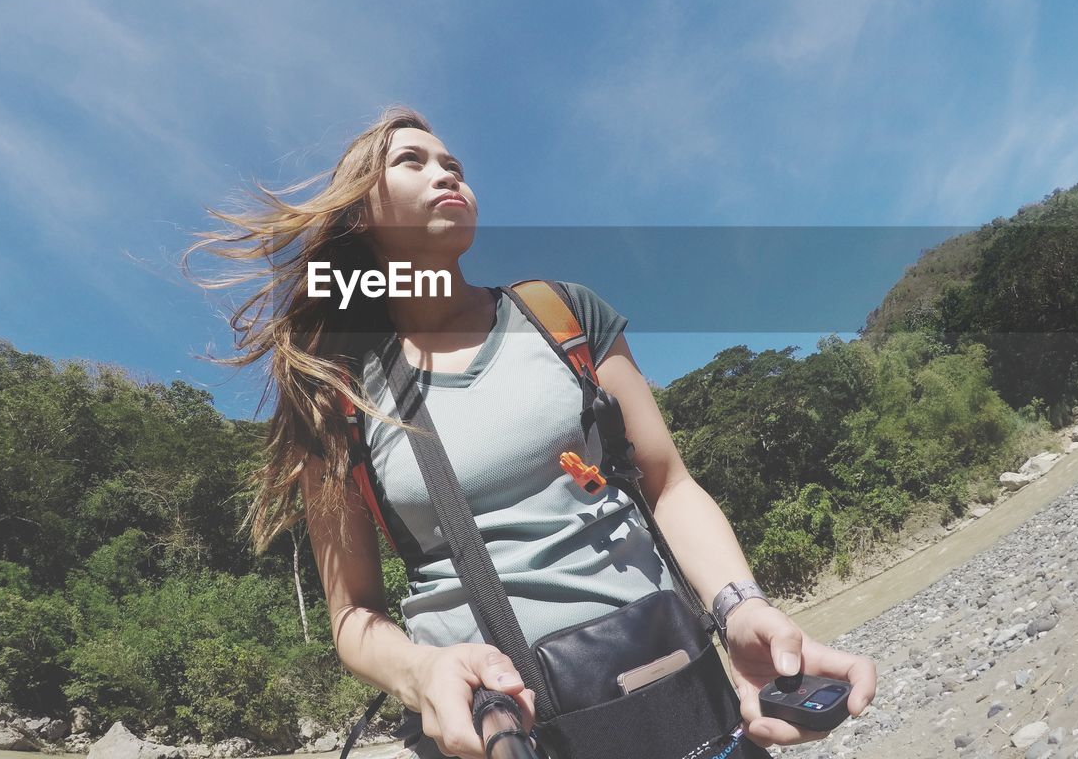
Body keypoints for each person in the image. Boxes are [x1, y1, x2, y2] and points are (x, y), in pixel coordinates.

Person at [185, 105, 877, 759]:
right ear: (362, 211)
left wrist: (739, 606)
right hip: (492, 735)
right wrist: (419, 674)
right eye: (413, 161)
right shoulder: (333, 397)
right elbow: (353, 616)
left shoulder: (560, 314)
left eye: (452, 161)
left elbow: (670, 485)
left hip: (673, 685)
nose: (446, 171)